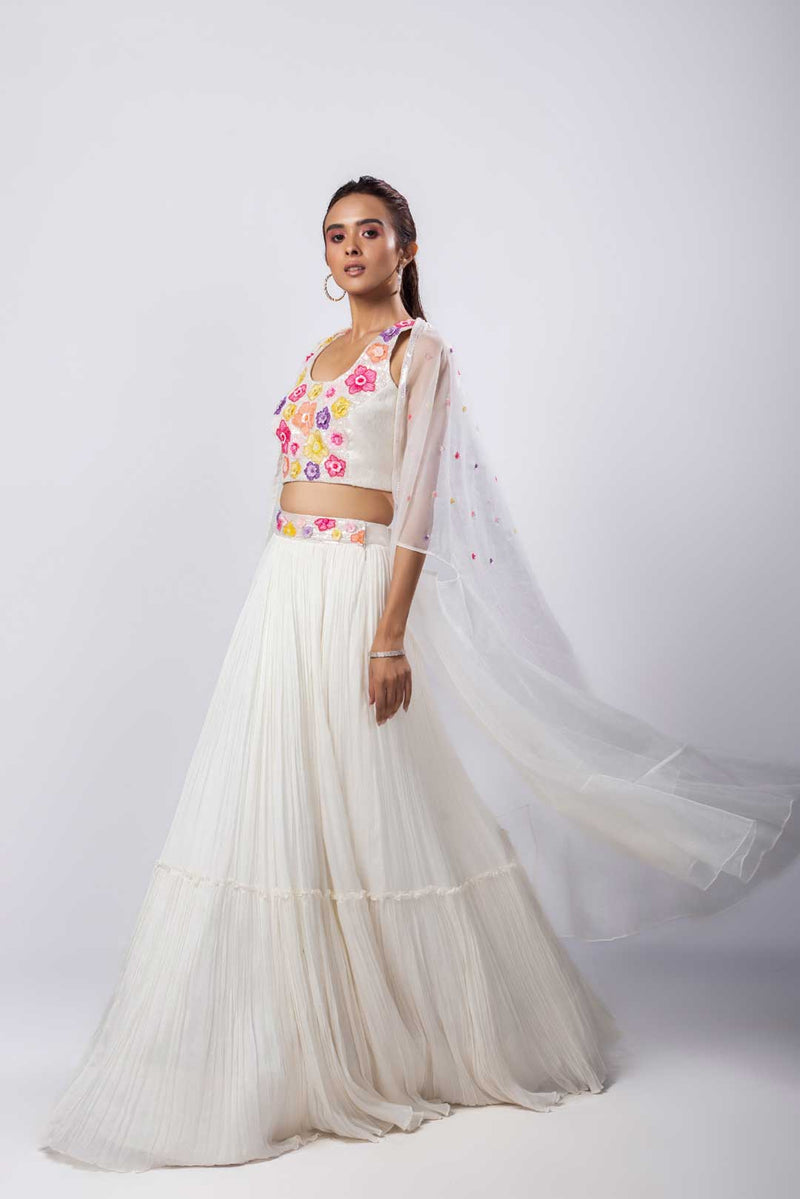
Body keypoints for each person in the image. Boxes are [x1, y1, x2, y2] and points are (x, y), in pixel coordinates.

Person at [40, 176, 799, 1173]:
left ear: (406, 247)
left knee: (378, 802)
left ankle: (427, 1029)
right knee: (279, 805)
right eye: (334, 235)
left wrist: (389, 634)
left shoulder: (418, 352)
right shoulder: (315, 354)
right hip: (286, 589)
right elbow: (288, 485)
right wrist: (281, 594)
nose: (349, 247)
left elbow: (417, 502)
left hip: (360, 591)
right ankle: (295, 1040)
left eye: (369, 231)